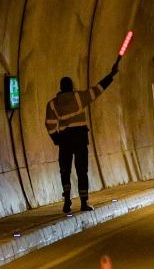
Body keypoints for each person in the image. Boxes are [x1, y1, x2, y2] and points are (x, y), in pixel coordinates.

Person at [45, 57, 119, 213]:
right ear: (71, 87)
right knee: (81, 170)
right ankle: (84, 202)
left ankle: (67, 201)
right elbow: (98, 89)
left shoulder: (52, 104)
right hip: (79, 138)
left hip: (65, 139)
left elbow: (50, 125)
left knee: (65, 170)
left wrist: (56, 139)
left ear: (60, 87)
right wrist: (111, 75)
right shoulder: (79, 98)